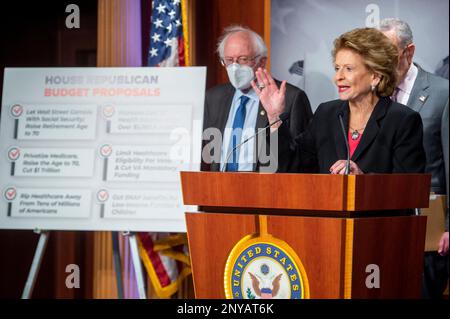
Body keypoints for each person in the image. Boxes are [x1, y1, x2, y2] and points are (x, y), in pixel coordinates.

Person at [252, 27, 426, 175]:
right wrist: (275, 119)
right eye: (337, 68)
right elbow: (294, 166)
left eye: (348, 69)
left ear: (375, 76)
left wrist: (362, 179)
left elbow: (407, 189)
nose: (338, 77)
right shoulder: (326, 114)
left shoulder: (402, 120)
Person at [379, 18, 449, 299]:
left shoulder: (443, 93)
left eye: (388, 54)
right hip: (381, 227)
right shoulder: (373, 93)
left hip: (428, 228)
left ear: (409, 51)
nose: (381, 63)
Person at [201, 25, 312, 173]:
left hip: (265, 190)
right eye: (229, 60)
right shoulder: (214, 97)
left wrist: (275, 117)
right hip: (219, 190)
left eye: (243, 59)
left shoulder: (291, 98)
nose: (234, 67)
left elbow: (302, 161)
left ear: (261, 61)